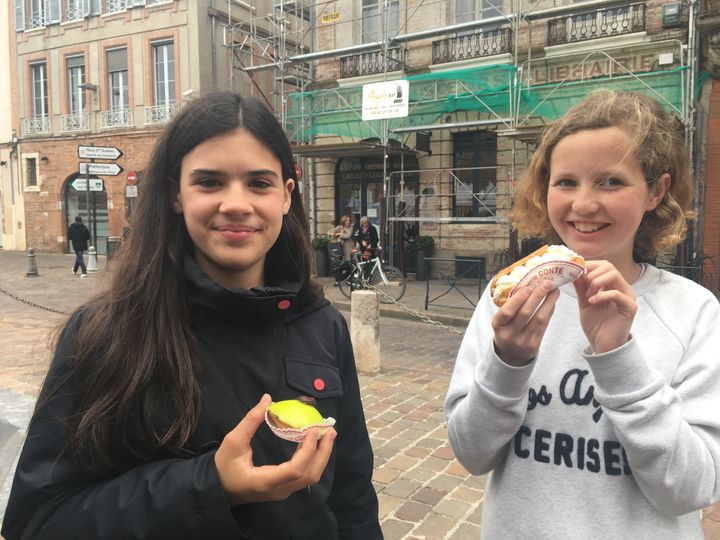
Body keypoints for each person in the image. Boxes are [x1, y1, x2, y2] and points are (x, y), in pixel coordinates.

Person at [2, 91, 382, 540]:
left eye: (259, 183)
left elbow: (352, 496)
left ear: (285, 195)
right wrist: (209, 486)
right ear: (175, 194)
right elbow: (40, 520)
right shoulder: (104, 333)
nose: (237, 203)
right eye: (209, 182)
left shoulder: (323, 325)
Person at [445, 90, 720, 539]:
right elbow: (473, 455)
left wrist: (618, 358)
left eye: (611, 182)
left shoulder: (694, 312)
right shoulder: (507, 300)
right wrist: (507, 363)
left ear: (656, 191)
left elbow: (691, 488)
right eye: (566, 182)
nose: (584, 204)